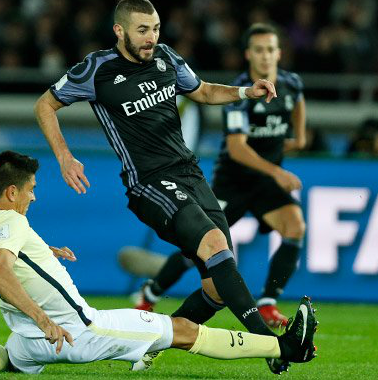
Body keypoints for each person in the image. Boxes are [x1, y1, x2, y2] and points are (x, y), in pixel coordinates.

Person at [34, 0, 299, 373]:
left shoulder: (167, 59)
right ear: (119, 30)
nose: (151, 37)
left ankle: (153, 346)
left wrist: (245, 92)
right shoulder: (97, 68)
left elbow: (203, 91)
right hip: (149, 182)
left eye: (156, 28)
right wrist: (64, 155)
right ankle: (271, 345)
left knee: (217, 288)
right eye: (143, 30)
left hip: (190, 174)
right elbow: (45, 104)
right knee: (213, 244)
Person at [0, 151, 318, 374]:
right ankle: (284, 347)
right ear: (10, 192)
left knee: (8, 356)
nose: (34, 196)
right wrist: (45, 317)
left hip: (27, 339)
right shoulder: (11, 221)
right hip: (76, 330)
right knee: (185, 331)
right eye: (29, 189)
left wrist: (42, 256)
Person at [120, 23, 309, 328]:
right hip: (232, 183)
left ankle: (268, 303)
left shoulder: (291, 85)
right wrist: (277, 169)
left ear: (279, 53)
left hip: (265, 185)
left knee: (295, 227)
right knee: (201, 247)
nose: (265, 56)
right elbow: (236, 149)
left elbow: (297, 114)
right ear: (248, 54)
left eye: (270, 50)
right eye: (259, 50)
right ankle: (150, 292)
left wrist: (297, 139)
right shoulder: (240, 92)